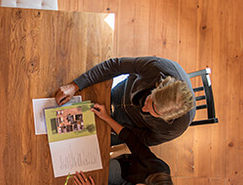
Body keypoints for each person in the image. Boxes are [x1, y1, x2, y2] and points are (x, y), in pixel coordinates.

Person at [55, 56, 196, 146]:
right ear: (158, 85)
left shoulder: (174, 128)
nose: (144, 109)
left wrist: (113, 125)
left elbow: (143, 140)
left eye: (152, 113)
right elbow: (115, 65)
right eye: (148, 101)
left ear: (166, 119)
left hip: (124, 127)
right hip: (120, 92)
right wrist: (75, 85)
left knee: (76, 144)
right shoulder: (157, 67)